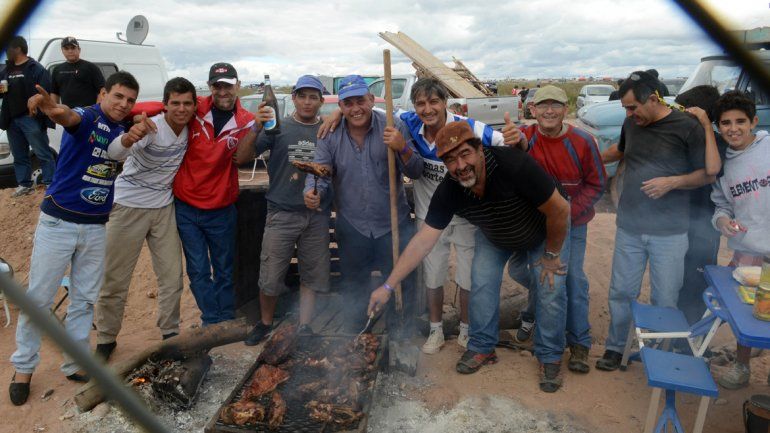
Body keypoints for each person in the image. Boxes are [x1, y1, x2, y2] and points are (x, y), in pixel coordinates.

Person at [318, 77, 523, 352]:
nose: (427, 110)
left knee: (466, 278)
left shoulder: (469, 127)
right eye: (421, 104)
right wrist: (336, 113)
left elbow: (507, 144)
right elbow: (367, 111)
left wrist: (519, 138)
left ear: (445, 103)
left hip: (467, 218)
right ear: (414, 107)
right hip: (431, 220)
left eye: (434, 102)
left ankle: (465, 329)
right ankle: (436, 330)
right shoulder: (410, 123)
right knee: (433, 276)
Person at [368, 121, 571, 392]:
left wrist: (551, 254)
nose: (460, 166)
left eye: (465, 154)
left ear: (480, 149)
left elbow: (559, 210)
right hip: (496, 235)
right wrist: (387, 286)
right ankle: (482, 347)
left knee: (550, 285)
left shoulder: (514, 165)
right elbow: (423, 242)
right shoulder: (450, 189)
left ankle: (550, 355)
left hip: (543, 230)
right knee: (482, 283)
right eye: (451, 160)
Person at [9, 71, 140, 406]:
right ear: (102, 94)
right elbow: (68, 116)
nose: (123, 104)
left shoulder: (125, 128)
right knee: (38, 299)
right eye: (118, 96)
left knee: (83, 299)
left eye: (130, 100)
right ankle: (23, 368)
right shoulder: (88, 116)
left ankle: (74, 362)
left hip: (96, 226)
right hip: (59, 222)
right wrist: (53, 108)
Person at [596, 71, 713, 371]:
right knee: (621, 292)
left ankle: (660, 354)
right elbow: (619, 152)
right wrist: (586, 158)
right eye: (625, 108)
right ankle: (614, 348)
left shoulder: (686, 127)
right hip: (630, 227)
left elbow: (707, 173)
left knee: (665, 297)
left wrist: (672, 182)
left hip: (670, 232)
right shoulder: (631, 124)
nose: (628, 113)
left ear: (652, 98)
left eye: (633, 107)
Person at [304, 74, 422, 331]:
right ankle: (356, 334)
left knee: (402, 283)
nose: (356, 108)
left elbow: (415, 171)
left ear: (371, 100)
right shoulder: (329, 135)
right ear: (340, 107)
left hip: (393, 224)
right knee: (353, 286)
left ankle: (400, 334)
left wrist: (402, 148)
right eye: (348, 103)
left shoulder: (392, 126)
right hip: (352, 225)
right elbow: (320, 175)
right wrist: (314, 194)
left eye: (361, 100)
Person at [93, 77, 198, 361]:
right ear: (165, 105)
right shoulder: (151, 128)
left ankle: (169, 333)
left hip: (164, 207)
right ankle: (106, 337)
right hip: (128, 206)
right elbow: (114, 152)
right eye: (175, 103)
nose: (181, 108)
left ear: (194, 106)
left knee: (172, 276)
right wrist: (130, 135)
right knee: (116, 279)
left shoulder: (192, 128)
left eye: (187, 103)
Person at [512, 85, 606, 374]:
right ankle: (537, 311)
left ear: (567, 110)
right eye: (543, 105)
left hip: (571, 223)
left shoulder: (582, 141)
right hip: (534, 223)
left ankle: (578, 343)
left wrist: (567, 213)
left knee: (571, 279)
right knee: (520, 272)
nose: (549, 111)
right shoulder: (524, 137)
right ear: (533, 110)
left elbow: (598, 183)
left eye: (555, 105)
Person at [243, 75, 332, 345]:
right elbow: (243, 157)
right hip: (281, 211)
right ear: (293, 98)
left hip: (316, 215)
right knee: (270, 275)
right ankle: (266, 322)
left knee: (311, 273)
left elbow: (331, 170)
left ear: (320, 101)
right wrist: (256, 127)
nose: (307, 102)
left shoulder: (328, 130)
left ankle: (304, 325)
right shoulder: (277, 127)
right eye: (302, 96)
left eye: (313, 97)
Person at [174, 63, 257, 325]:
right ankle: (211, 320)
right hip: (187, 206)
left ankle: (226, 316)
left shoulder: (248, 122)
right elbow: (159, 107)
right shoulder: (195, 107)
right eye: (217, 86)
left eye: (228, 85)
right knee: (198, 270)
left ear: (238, 86)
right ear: (210, 87)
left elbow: (244, 158)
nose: (223, 91)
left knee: (224, 268)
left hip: (221, 207)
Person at [708, 91, 770, 389]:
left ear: (753, 122)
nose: (733, 128)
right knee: (747, 313)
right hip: (748, 250)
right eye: (726, 123)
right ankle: (742, 366)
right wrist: (722, 222)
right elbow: (721, 206)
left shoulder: (768, 146)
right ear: (718, 127)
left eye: (740, 121)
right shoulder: (722, 164)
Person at [673, 85, 726, 325]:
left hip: (705, 223)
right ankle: (673, 332)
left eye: (683, 111)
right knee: (677, 278)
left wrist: (705, 127)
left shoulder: (716, 143)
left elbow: (713, 171)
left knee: (697, 280)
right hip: (678, 221)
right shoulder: (680, 137)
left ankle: (691, 339)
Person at [0, 35, 56, 197]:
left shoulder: (35, 68)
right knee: (19, 154)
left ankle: (50, 183)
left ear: (18, 48)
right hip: (12, 119)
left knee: (42, 152)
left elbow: (46, 92)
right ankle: (24, 185)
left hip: (31, 118)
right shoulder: (7, 70)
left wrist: (37, 100)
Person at [50, 36, 105, 108]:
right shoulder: (57, 70)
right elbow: (54, 93)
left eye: (73, 48)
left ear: (79, 49)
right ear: (62, 50)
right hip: (67, 114)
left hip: (87, 114)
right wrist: (55, 111)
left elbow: (102, 90)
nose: (70, 51)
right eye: (66, 48)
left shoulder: (91, 67)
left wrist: (95, 110)